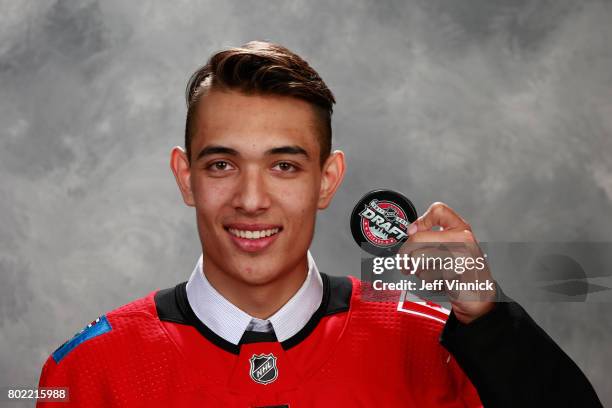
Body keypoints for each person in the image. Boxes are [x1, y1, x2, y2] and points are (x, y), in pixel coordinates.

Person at [37, 41, 602, 407]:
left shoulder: (436, 344)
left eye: (284, 166)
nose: (251, 199)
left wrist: (490, 323)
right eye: (222, 164)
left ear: (327, 180)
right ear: (185, 177)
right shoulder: (87, 372)